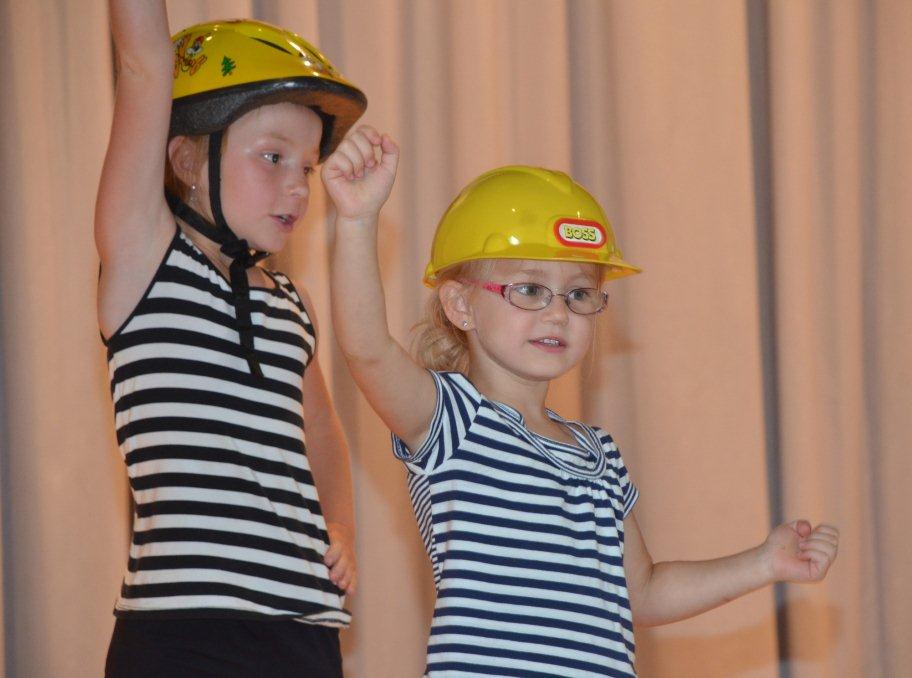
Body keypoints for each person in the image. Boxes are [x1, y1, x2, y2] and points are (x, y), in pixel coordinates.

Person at [323, 129, 839, 676]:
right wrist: (357, 220)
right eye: (529, 289)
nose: (558, 313)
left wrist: (764, 563)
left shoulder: (599, 452)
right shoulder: (450, 419)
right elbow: (367, 350)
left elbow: (643, 591)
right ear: (460, 305)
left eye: (579, 293)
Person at [96, 2, 362, 675]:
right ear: (187, 157)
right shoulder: (145, 259)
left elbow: (322, 431)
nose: (297, 186)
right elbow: (142, 65)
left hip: (303, 629)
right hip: (183, 629)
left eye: (307, 167)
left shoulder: (291, 304)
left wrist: (340, 524)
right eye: (273, 156)